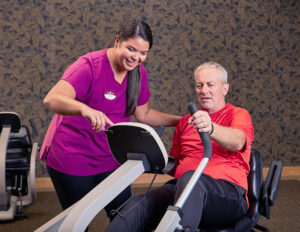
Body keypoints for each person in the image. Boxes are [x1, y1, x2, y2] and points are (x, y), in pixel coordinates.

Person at [40, 19, 181, 220]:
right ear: (117, 41)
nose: (136, 58)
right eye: (131, 49)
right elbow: (52, 99)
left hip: (110, 156)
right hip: (72, 155)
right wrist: (85, 109)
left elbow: (144, 115)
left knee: (124, 217)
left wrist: (182, 121)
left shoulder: (138, 73)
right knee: (77, 222)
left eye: (143, 53)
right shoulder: (89, 66)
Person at [105, 62, 254, 232]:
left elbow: (237, 141)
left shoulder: (238, 114)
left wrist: (210, 127)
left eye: (210, 85)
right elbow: (175, 165)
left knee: (191, 180)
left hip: (228, 195)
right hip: (181, 188)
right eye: (199, 85)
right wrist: (153, 157)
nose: (204, 90)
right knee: (139, 205)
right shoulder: (185, 122)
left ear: (225, 89)